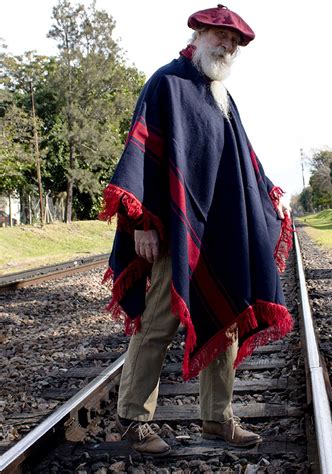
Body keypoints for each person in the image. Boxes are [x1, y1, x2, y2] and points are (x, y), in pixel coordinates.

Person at [100, 4, 293, 456]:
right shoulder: (166, 83)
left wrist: (271, 193)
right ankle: (132, 421)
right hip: (171, 231)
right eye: (219, 37)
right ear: (198, 35)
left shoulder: (222, 96)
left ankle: (217, 418)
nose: (227, 46)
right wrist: (138, 222)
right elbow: (141, 155)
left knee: (225, 317)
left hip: (217, 234)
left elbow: (243, 165)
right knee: (159, 323)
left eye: (234, 42)